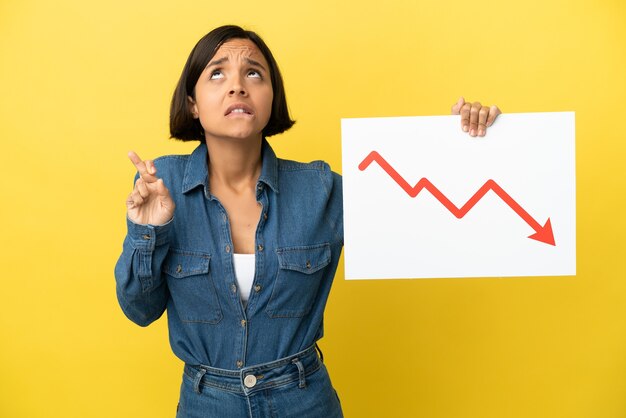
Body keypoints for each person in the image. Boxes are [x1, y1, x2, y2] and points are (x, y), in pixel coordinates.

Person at [114, 25, 501, 418]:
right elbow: (139, 310)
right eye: (217, 73)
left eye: (253, 73)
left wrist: (468, 143)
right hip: (206, 404)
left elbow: (434, 212)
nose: (237, 86)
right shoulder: (161, 185)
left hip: (303, 402)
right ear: (192, 103)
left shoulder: (321, 189)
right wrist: (149, 232)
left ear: (271, 97)